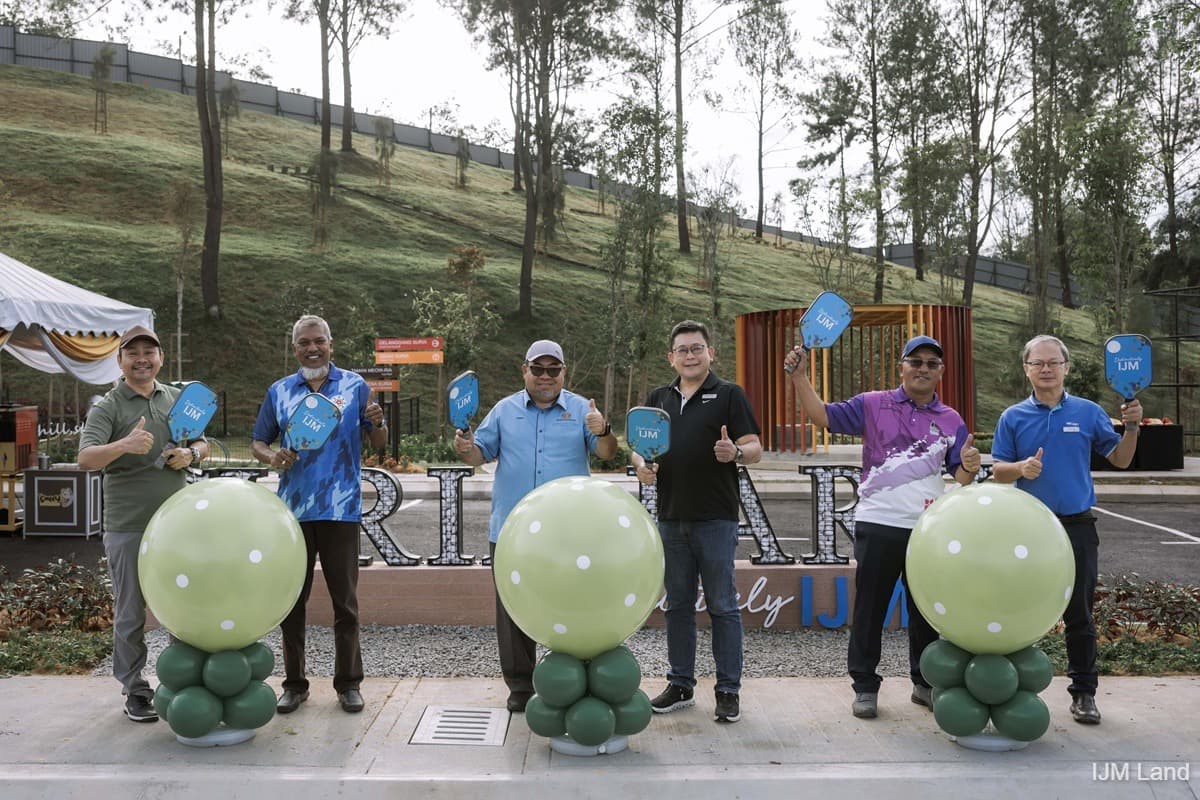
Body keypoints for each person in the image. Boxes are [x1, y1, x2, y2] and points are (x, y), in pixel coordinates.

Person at [785, 334, 980, 719]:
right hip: (878, 522)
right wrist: (800, 378)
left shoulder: (951, 419)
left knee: (924, 611)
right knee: (871, 609)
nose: (923, 368)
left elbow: (960, 476)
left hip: (927, 529)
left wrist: (969, 467)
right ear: (902, 366)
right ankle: (864, 686)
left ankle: (924, 684)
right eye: (916, 361)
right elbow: (822, 416)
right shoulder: (873, 404)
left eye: (931, 364)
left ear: (940, 371)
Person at [453, 339, 617, 712]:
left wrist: (604, 429)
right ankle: (520, 685)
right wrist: (466, 450)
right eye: (537, 369)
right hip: (512, 531)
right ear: (524, 369)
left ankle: (575, 677)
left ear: (563, 373)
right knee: (513, 608)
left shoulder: (581, 409)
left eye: (553, 370)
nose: (545, 377)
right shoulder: (504, 410)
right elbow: (481, 452)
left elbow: (606, 453)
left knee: (572, 602)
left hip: (569, 532)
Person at [991, 334, 1141, 726]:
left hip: (1076, 525)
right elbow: (997, 472)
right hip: (1028, 527)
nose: (1045, 369)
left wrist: (1133, 428)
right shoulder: (1013, 417)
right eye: (1037, 363)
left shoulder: (1088, 413)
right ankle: (1008, 688)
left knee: (1079, 613)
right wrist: (1021, 469)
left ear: (1066, 367)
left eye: (1052, 362)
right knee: (1018, 609)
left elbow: (1122, 460)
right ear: (1026, 369)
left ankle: (1084, 693)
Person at [251, 315, 387, 715]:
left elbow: (377, 441)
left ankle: (349, 684)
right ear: (294, 348)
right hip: (293, 512)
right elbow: (259, 441)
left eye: (319, 341)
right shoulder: (279, 391)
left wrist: (379, 424)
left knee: (345, 603)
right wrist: (273, 456)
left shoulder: (354, 387)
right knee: (293, 602)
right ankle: (295, 684)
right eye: (304, 343)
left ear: (331, 343)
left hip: (341, 510)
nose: (312, 348)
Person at [78, 325, 210, 723]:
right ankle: (134, 689)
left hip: (175, 525)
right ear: (119, 361)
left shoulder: (175, 398)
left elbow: (203, 442)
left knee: (180, 607)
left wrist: (191, 453)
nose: (141, 359)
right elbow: (86, 459)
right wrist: (123, 445)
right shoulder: (109, 407)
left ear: (161, 358)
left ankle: (182, 681)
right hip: (128, 524)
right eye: (131, 353)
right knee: (131, 610)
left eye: (148, 352)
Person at [633, 320, 762, 725]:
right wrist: (642, 467)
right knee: (678, 607)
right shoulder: (658, 399)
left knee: (723, 606)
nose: (690, 356)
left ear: (711, 353)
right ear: (671, 357)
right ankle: (681, 684)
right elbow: (639, 451)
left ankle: (728, 690)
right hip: (671, 518)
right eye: (682, 350)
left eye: (697, 348)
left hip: (715, 518)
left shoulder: (728, 395)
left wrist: (734, 454)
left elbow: (755, 447)